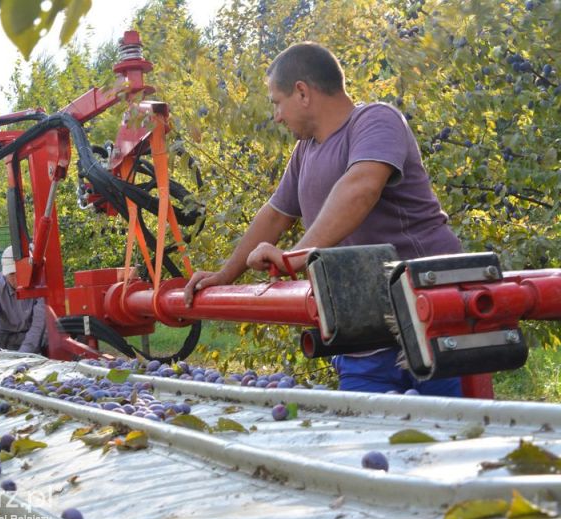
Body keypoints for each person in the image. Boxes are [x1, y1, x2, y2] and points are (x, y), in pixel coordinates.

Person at [183, 42, 462, 396]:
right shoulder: (305, 152)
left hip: (430, 318)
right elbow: (274, 216)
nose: (277, 117)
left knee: (453, 438)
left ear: (302, 92)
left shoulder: (376, 119)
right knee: (368, 443)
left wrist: (295, 257)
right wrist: (225, 274)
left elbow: (360, 188)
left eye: (276, 102)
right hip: (361, 332)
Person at [0, 245, 46, 353]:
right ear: (4, 273)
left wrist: (23, 354)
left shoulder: (41, 284)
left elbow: (39, 324)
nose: (17, 278)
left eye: (20, 273)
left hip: (35, 337)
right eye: (11, 274)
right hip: (7, 337)